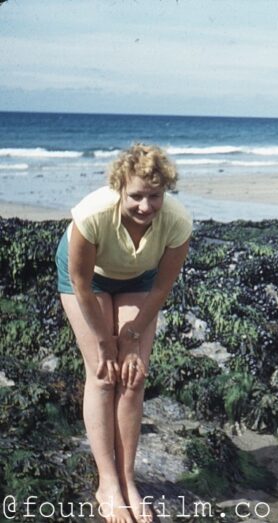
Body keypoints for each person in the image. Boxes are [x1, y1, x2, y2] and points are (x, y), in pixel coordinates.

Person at [56, 144, 192, 523]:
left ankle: (128, 480)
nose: (145, 206)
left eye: (155, 196)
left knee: (132, 378)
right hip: (88, 280)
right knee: (103, 375)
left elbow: (162, 288)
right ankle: (107, 484)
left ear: (166, 192)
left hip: (139, 278)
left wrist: (131, 338)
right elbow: (82, 284)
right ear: (119, 190)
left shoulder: (178, 223)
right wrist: (105, 341)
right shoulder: (93, 215)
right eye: (136, 196)